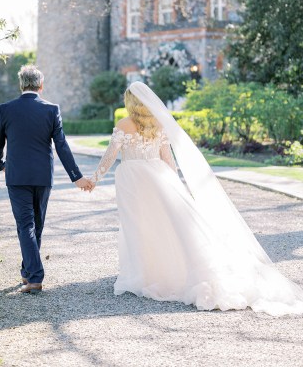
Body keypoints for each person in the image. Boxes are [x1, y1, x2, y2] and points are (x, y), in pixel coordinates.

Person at [89, 81, 303, 316]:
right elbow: (168, 159)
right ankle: (162, 270)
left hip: (133, 179)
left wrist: (94, 179)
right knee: (166, 226)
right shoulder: (158, 124)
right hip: (160, 178)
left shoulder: (123, 124)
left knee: (138, 226)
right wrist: (176, 186)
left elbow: (109, 157)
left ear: (130, 102)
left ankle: (144, 274)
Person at [0, 65, 93, 294]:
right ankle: (29, 272)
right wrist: (76, 177)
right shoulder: (51, 109)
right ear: (41, 85)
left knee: (26, 225)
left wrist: (1, 164)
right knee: (35, 225)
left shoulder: (6, 109)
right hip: (43, 176)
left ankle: (34, 276)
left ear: (21, 85)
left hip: (16, 176)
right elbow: (62, 146)